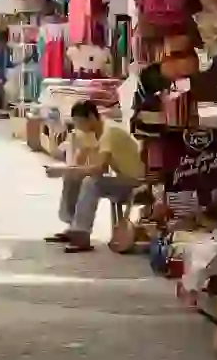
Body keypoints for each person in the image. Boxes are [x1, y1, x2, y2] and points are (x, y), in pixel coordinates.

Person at [46, 100, 144, 253]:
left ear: (91, 117)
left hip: (135, 181)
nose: (78, 127)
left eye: (80, 122)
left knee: (91, 183)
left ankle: (82, 235)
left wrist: (64, 171)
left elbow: (99, 169)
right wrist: (69, 171)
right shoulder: (90, 133)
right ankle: (74, 226)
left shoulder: (110, 132)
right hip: (121, 178)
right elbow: (80, 161)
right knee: (74, 178)